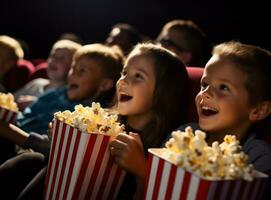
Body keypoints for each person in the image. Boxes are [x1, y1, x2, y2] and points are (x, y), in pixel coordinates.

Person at [0, 43, 124, 199]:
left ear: (104, 84)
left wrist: (11, 132)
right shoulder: (56, 94)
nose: (72, 75)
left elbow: (60, 150)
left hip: (27, 148)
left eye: (82, 71)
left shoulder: (91, 118)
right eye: (73, 68)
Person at [169, 41, 271, 199]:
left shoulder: (259, 159)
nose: (206, 93)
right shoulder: (182, 136)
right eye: (204, 84)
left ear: (258, 110)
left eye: (223, 87)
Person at [108, 43, 190, 199]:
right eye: (124, 72)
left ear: (163, 92)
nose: (123, 81)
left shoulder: (169, 147)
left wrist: (142, 170)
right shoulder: (103, 122)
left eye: (138, 76)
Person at [14, 39, 82, 110]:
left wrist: (38, 105)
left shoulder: (69, 96)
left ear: (73, 67)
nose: (55, 60)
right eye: (53, 55)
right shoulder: (36, 84)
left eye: (62, 58)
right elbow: (12, 100)